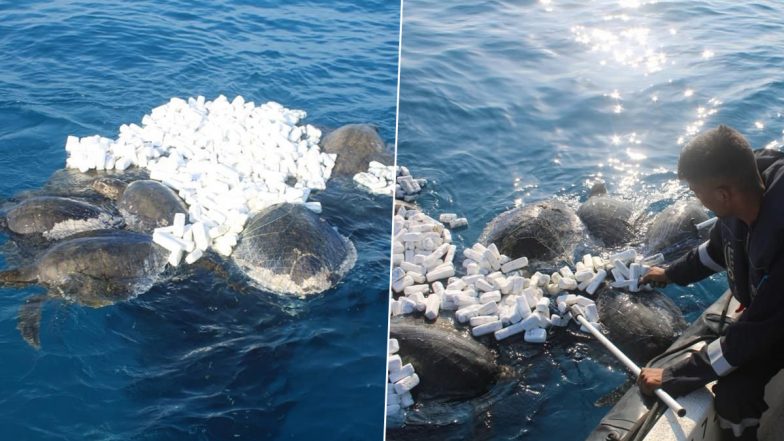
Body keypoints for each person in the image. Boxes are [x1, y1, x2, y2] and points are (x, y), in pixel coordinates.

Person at [636, 125, 784, 440]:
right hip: (769, 313)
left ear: (723, 193)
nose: (697, 199)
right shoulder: (744, 198)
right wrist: (669, 273)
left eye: (695, 191)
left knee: (734, 392)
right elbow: (718, 251)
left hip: (775, 321)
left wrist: (672, 376)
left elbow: (755, 334)